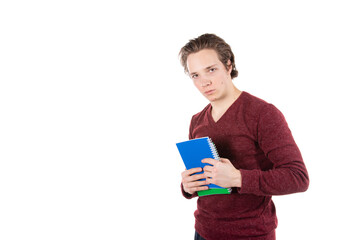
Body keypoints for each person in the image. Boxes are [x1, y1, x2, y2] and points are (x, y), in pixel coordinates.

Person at [178, 34, 309, 240]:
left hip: (250, 234)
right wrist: (189, 186)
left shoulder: (262, 113)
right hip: (203, 231)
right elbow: (204, 180)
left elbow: (297, 177)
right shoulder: (197, 120)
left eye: (211, 70)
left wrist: (238, 178)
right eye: (195, 75)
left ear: (228, 65)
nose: (204, 82)